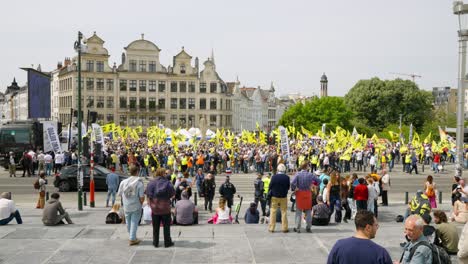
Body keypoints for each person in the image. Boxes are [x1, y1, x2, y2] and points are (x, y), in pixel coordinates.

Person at [327, 210, 392, 264]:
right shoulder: (380, 253)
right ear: (368, 227)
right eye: (376, 225)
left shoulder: (339, 246)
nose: (377, 228)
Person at [146, 167, 175, 248]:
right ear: (163, 174)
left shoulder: (151, 183)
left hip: (155, 208)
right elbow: (173, 195)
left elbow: (148, 194)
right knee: (166, 227)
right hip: (165, 207)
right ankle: (167, 242)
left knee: (155, 227)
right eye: (165, 173)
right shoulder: (168, 183)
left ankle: (155, 242)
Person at [117, 165, 145, 246]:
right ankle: (132, 238)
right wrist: (141, 203)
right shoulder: (139, 183)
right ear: (137, 172)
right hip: (136, 205)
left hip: (126, 205)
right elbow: (141, 197)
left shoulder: (123, 182)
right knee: (134, 222)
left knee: (128, 221)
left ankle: (131, 236)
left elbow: (119, 193)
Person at [268, 163, 290, 233]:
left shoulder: (274, 177)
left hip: (275, 196)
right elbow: (288, 187)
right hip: (283, 196)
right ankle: (284, 228)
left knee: (273, 212)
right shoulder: (287, 177)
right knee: (284, 212)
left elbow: (270, 186)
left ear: (278, 169)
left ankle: (271, 228)